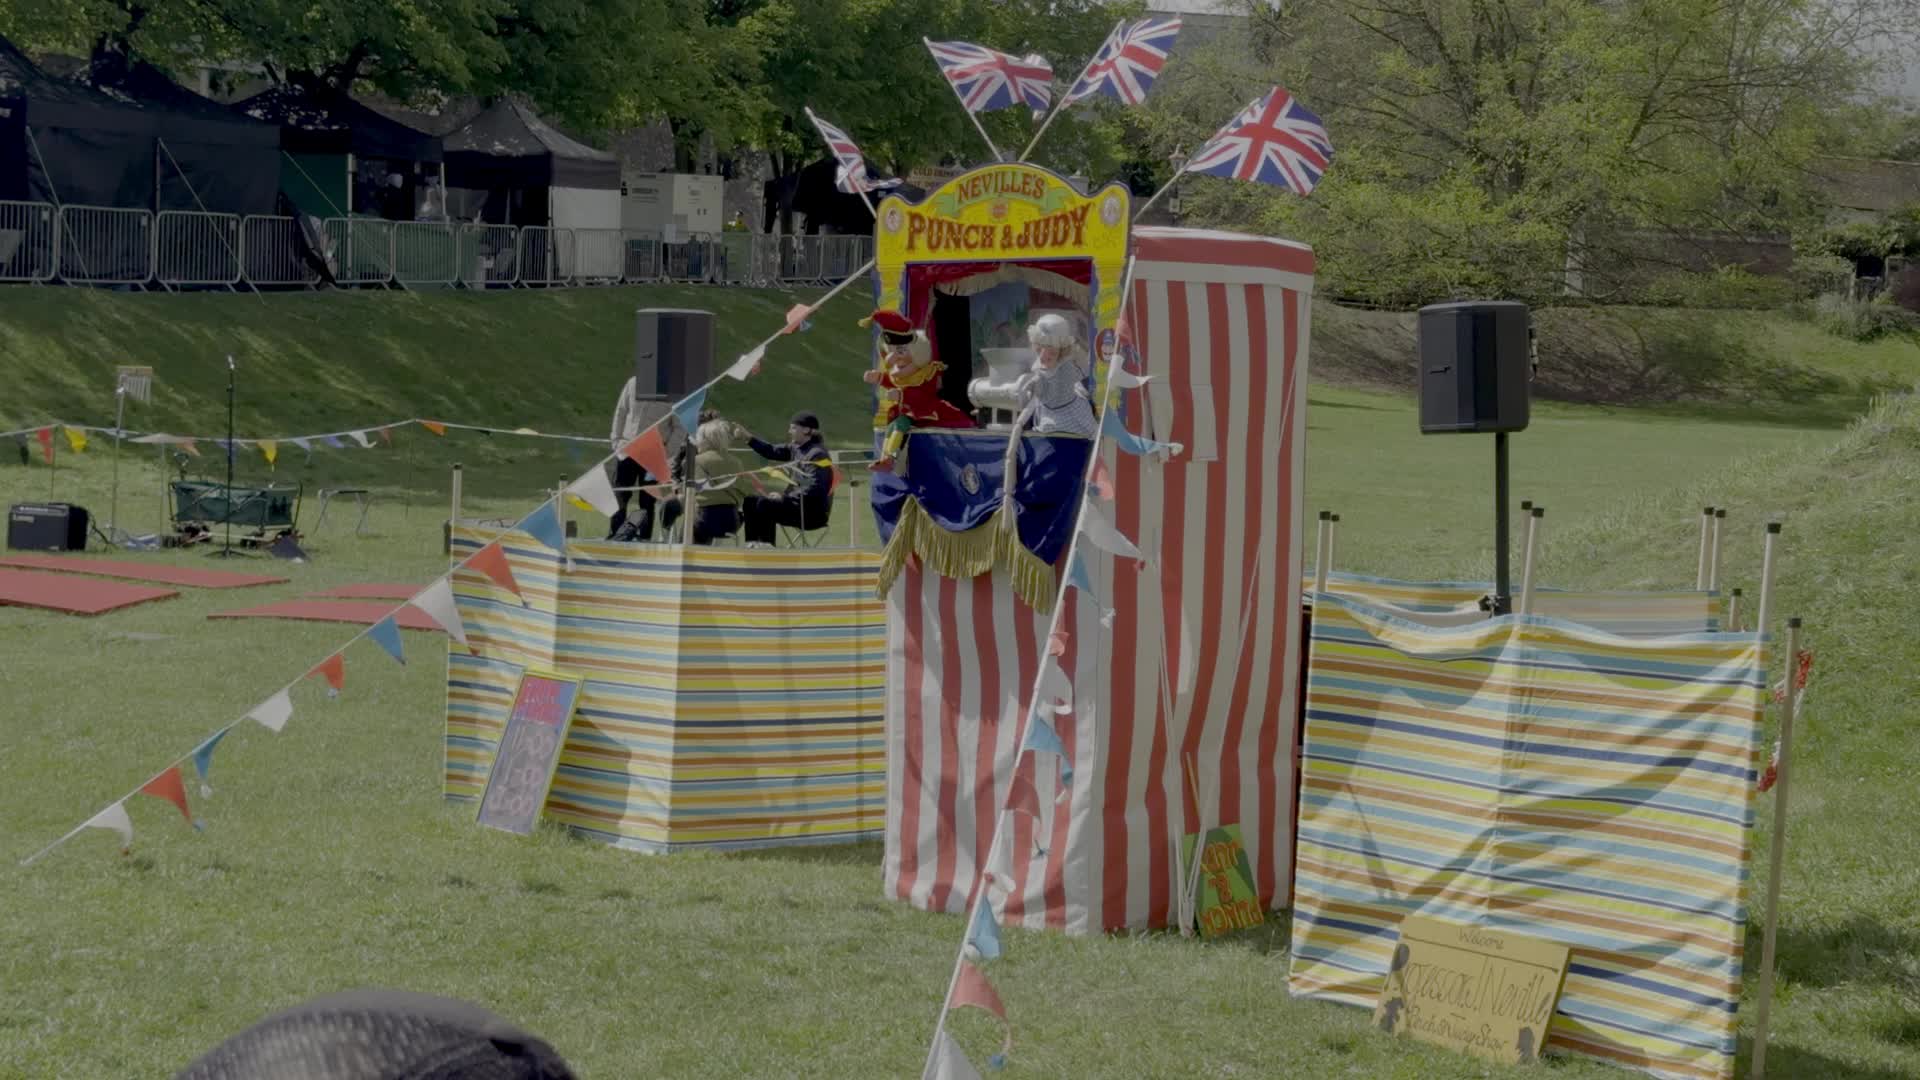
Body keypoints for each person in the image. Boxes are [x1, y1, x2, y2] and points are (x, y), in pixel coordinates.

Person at [861, 309, 974, 471]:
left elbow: (922, 396)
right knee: (892, 426)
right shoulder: (899, 373)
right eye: (891, 352)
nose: (893, 358)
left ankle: (890, 459)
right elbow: (893, 382)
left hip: (925, 411)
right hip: (907, 413)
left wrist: (901, 395)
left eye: (900, 352)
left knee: (900, 422)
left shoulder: (926, 373)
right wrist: (878, 377)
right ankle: (885, 459)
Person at [740, 411, 834, 546]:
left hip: (812, 513)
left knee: (764, 504)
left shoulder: (818, 454)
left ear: (807, 430)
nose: (789, 431)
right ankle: (753, 545)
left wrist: (784, 498)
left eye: (793, 428)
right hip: (796, 505)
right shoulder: (795, 448)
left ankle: (767, 547)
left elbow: (815, 489)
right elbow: (771, 451)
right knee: (750, 501)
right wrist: (748, 438)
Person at [660, 414, 749, 545]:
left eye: (699, 438)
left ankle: (674, 546)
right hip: (732, 522)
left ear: (706, 440)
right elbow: (743, 493)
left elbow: (688, 495)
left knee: (690, 518)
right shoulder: (737, 462)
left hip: (704, 521)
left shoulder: (695, 461)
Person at [1019, 312, 1098, 437]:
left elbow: (1083, 373)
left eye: (1052, 353)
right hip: (1048, 416)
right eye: (1040, 350)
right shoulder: (1038, 367)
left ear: (1061, 352)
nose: (1044, 356)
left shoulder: (1066, 368)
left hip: (1072, 417)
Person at [606, 375, 658, 540]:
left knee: (648, 499)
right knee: (620, 494)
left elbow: (678, 426)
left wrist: (668, 451)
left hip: (654, 453)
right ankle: (616, 535)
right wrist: (616, 440)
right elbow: (621, 411)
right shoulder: (633, 382)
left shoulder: (672, 390)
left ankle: (645, 538)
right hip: (627, 449)